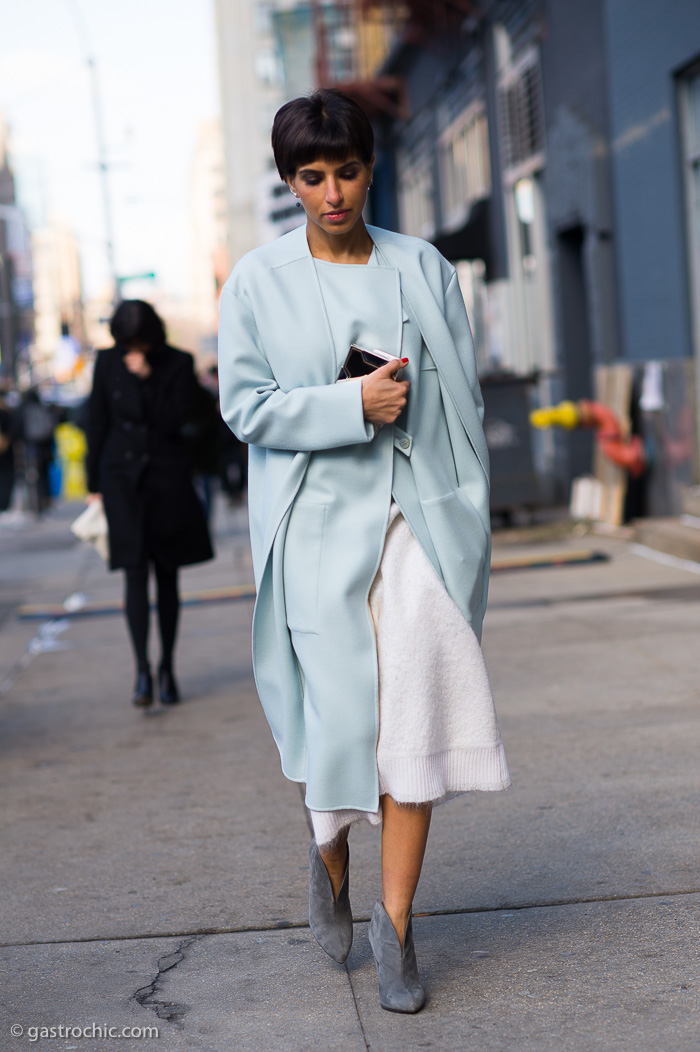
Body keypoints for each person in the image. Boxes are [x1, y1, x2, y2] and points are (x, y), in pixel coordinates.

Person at [217, 90, 510, 1013]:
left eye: (347, 171)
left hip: (415, 519)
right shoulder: (256, 283)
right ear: (289, 182)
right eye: (313, 177)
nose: (333, 192)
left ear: (371, 168)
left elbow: (461, 397)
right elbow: (245, 406)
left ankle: (397, 925)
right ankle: (329, 858)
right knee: (337, 727)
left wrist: (467, 507)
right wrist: (351, 404)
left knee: (412, 724)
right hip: (313, 526)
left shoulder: (421, 265)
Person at [86, 300, 213, 708]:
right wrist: (93, 484)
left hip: (166, 478)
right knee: (134, 572)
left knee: (167, 573)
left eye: (140, 341)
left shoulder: (177, 362)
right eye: (127, 342)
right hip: (120, 479)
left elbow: (179, 418)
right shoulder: (106, 362)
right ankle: (141, 670)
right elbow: (97, 421)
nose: (133, 348)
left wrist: (149, 378)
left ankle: (167, 668)